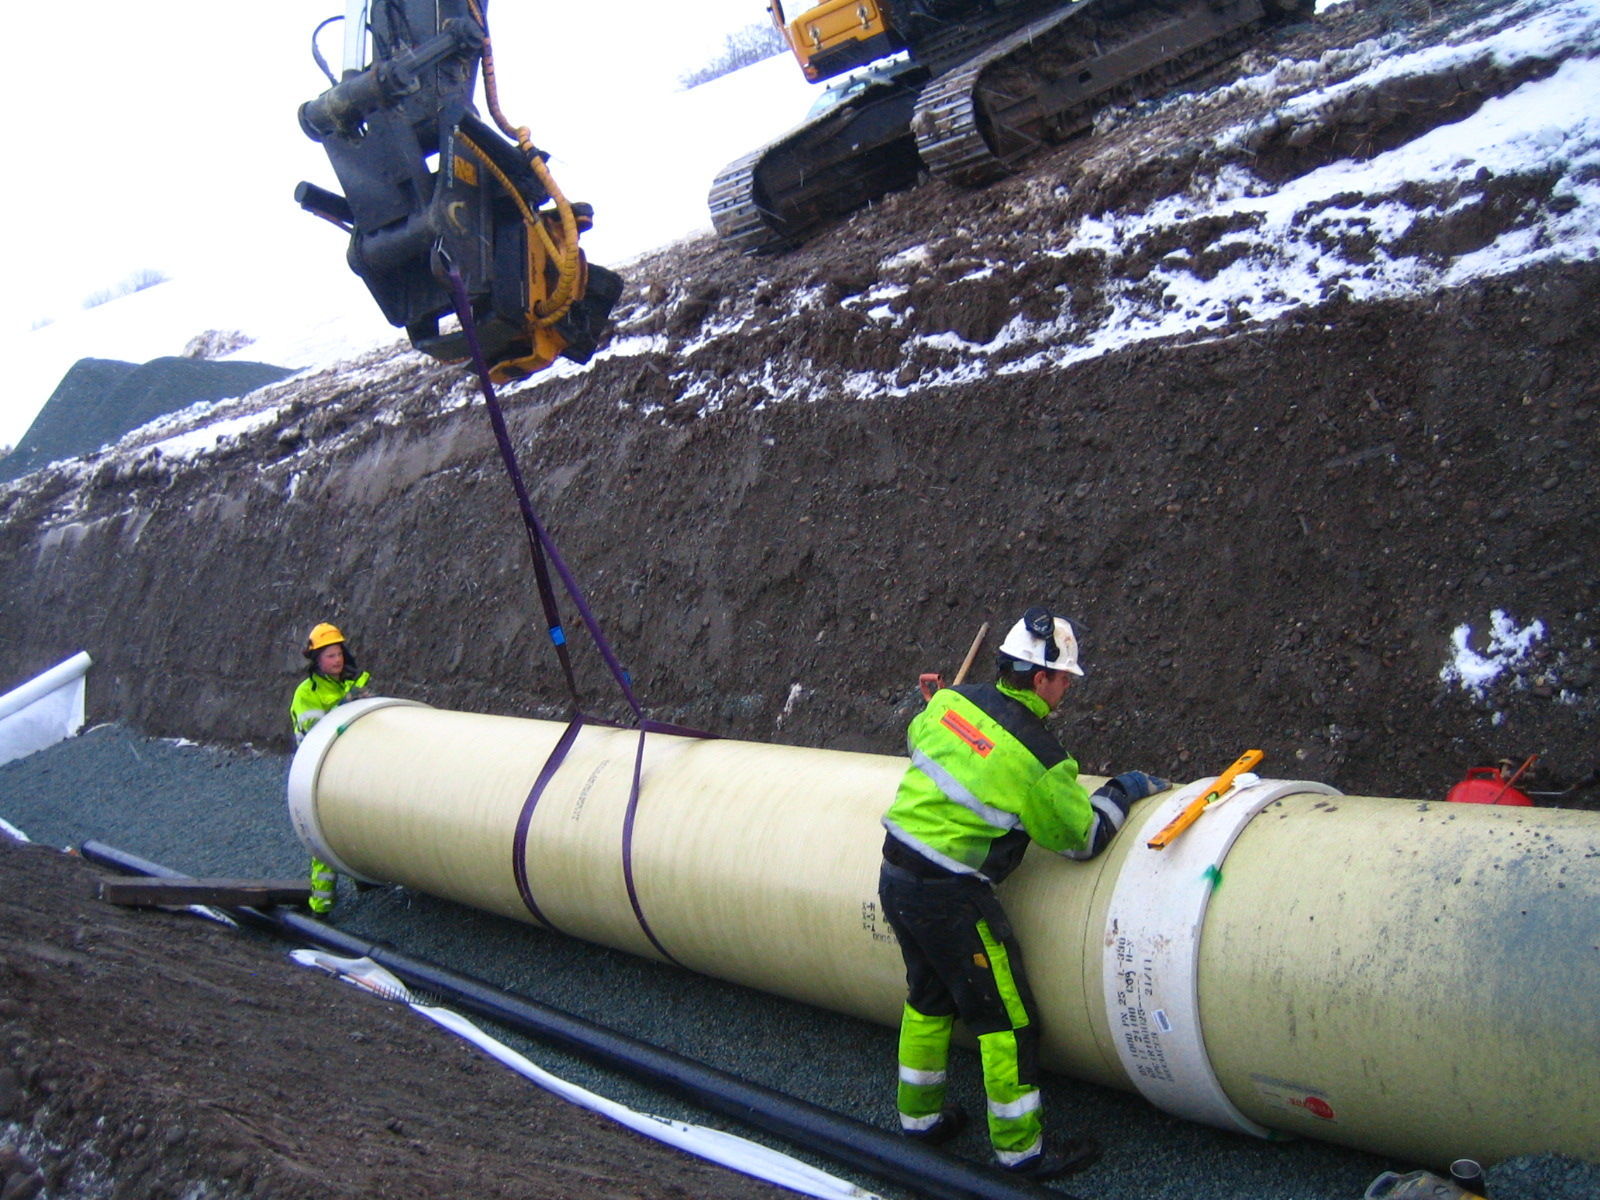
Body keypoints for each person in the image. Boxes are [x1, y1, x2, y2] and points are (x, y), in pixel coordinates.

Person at [878, 606, 1168, 1181]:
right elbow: (1082, 837)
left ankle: (919, 1123)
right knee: (1007, 1022)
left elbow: (918, 737)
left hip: (895, 877)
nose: (1067, 691)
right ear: (1040, 678)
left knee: (929, 997)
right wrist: (1125, 789)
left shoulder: (948, 704)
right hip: (950, 898)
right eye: (1065, 680)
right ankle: (1019, 1154)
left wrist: (950, 723)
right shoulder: (1041, 760)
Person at [289, 622, 371, 916]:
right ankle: (320, 908)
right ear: (316, 660)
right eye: (329, 656)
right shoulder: (307, 693)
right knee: (323, 838)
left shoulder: (350, 682)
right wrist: (344, 703)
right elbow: (315, 731)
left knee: (353, 824)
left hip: (348, 766)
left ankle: (361, 880)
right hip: (318, 771)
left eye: (338, 654)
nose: (336, 661)